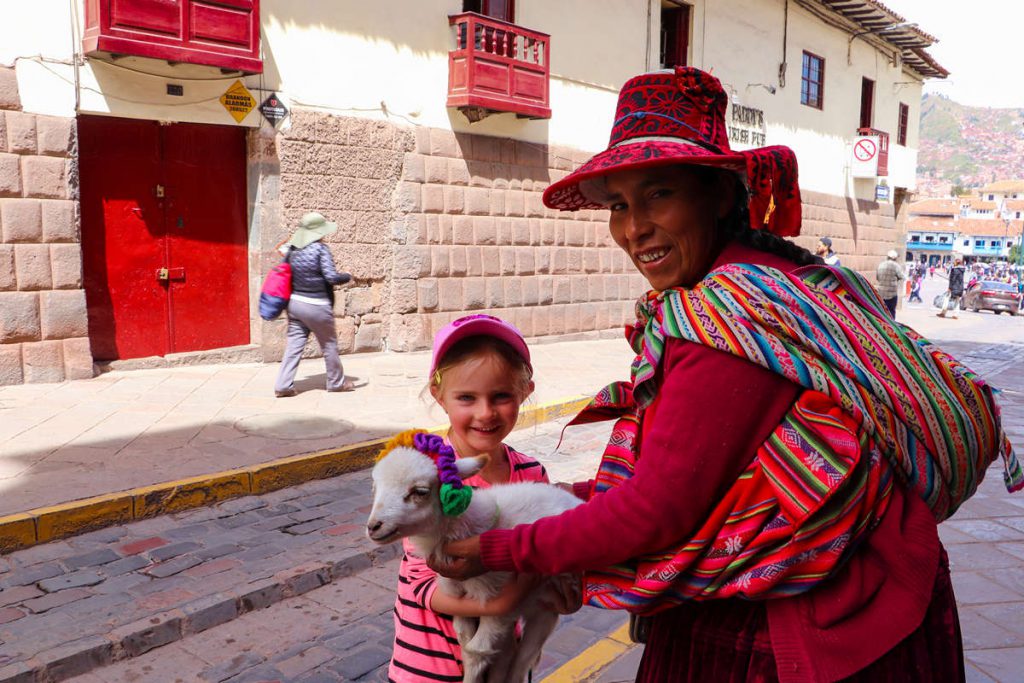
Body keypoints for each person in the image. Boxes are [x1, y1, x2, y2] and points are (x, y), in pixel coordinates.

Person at [431, 68, 1020, 683]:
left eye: (659, 194)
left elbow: (656, 510)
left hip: (794, 630)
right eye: (619, 205)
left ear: (717, 194)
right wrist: (538, 513)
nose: (634, 228)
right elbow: (690, 479)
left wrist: (495, 548)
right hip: (878, 595)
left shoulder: (725, 321)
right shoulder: (784, 281)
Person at [386, 314, 564, 682]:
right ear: (438, 394)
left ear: (525, 392)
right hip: (428, 668)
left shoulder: (531, 473)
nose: (485, 413)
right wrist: (506, 601)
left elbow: (547, 563)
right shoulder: (423, 476)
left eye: (501, 396)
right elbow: (422, 583)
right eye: (467, 397)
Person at [274, 212, 360, 396]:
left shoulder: (293, 249)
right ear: (319, 232)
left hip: (295, 305)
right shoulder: (321, 250)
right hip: (317, 305)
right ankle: (336, 382)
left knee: (294, 346)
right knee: (329, 344)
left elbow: (284, 270)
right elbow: (330, 277)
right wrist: (347, 276)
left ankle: (283, 385)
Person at [875, 249, 904, 317]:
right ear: (895, 258)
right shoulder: (896, 266)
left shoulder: (881, 265)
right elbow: (901, 276)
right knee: (891, 312)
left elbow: (877, 277)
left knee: (882, 311)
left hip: (881, 293)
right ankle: (891, 325)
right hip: (892, 294)